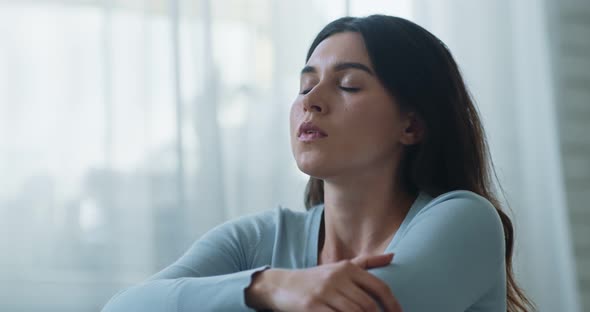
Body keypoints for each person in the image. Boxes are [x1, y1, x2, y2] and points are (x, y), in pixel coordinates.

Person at [101, 15, 533, 312]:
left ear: (412, 124)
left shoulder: (466, 221)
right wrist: (268, 286)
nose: (311, 100)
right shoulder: (258, 241)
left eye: (347, 85)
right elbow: (124, 306)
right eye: (305, 85)